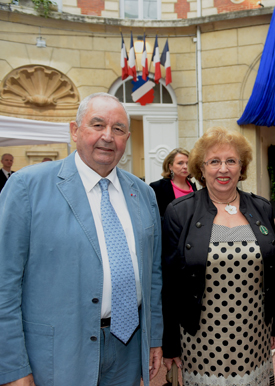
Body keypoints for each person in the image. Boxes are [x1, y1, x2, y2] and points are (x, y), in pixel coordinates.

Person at [0, 93, 163, 386]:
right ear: (75, 131)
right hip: (57, 354)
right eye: (97, 125)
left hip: (127, 349)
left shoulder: (144, 194)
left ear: (127, 137)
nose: (107, 137)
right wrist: (12, 367)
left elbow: (153, 274)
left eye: (118, 129)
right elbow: (4, 284)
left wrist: (154, 337)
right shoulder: (26, 187)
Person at [161, 126, 275, 386]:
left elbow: (273, 270)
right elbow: (169, 283)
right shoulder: (179, 212)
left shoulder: (261, 207)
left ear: (242, 167)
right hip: (201, 337)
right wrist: (170, 342)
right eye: (214, 161)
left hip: (254, 333)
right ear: (201, 169)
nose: (223, 169)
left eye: (231, 161)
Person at [150, 147, 196, 219]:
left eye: (188, 163)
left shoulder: (193, 186)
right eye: (180, 163)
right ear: (170, 166)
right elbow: (155, 217)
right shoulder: (158, 187)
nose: (185, 167)